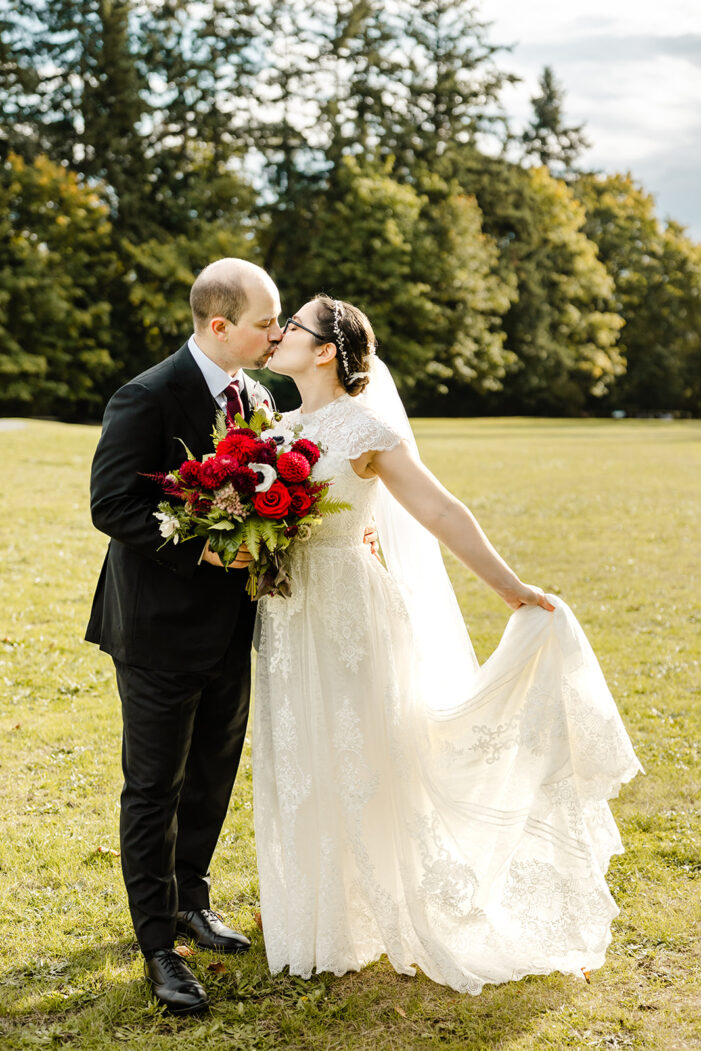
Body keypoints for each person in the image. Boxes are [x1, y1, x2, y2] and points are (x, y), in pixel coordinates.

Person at [252, 294, 642, 994]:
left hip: (349, 609)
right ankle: (322, 907)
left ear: (323, 351)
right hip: (287, 615)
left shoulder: (362, 427)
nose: (278, 334)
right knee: (303, 749)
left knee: (365, 749)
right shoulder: (273, 427)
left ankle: (394, 899)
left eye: (295, 327)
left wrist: (508, 587)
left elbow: (437, 508)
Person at [86, 258, 281, 1014]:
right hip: (159, 631)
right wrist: (200, 546)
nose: (276, 333)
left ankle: (192, 900)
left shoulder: (258, 396)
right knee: (154, 786)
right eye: (266, 322)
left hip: (234, 624)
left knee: (211, 773)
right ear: (220, 325)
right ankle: (158, 945)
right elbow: (110, 505)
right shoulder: (145, 396)